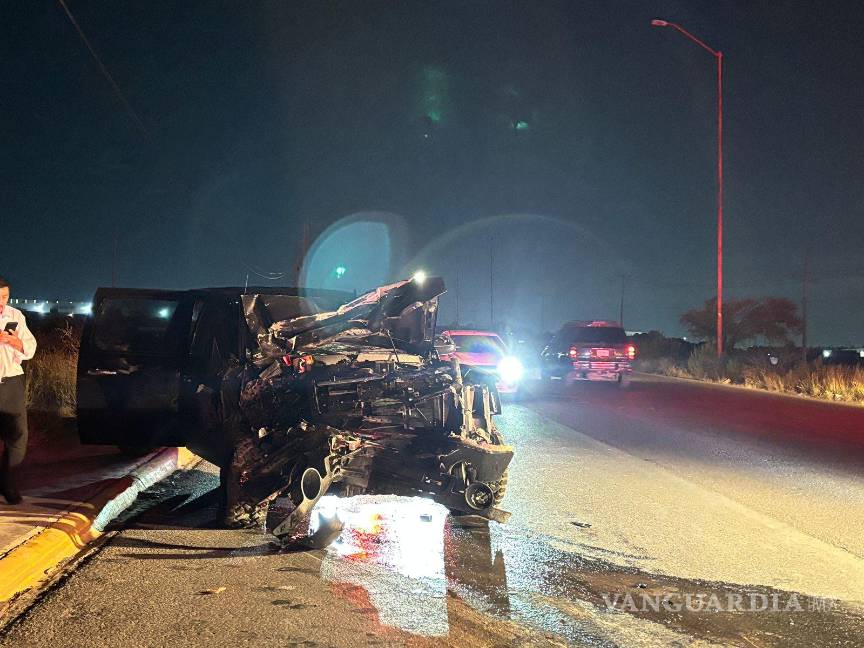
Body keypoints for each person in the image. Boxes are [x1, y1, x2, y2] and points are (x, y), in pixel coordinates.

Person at [0, 276, 37, 504]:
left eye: (4, 297)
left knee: (18, 435)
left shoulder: (15, 316)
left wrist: (16, 343)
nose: (1, 302)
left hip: (11, 382)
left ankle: (6, 480)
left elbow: (30, 347)